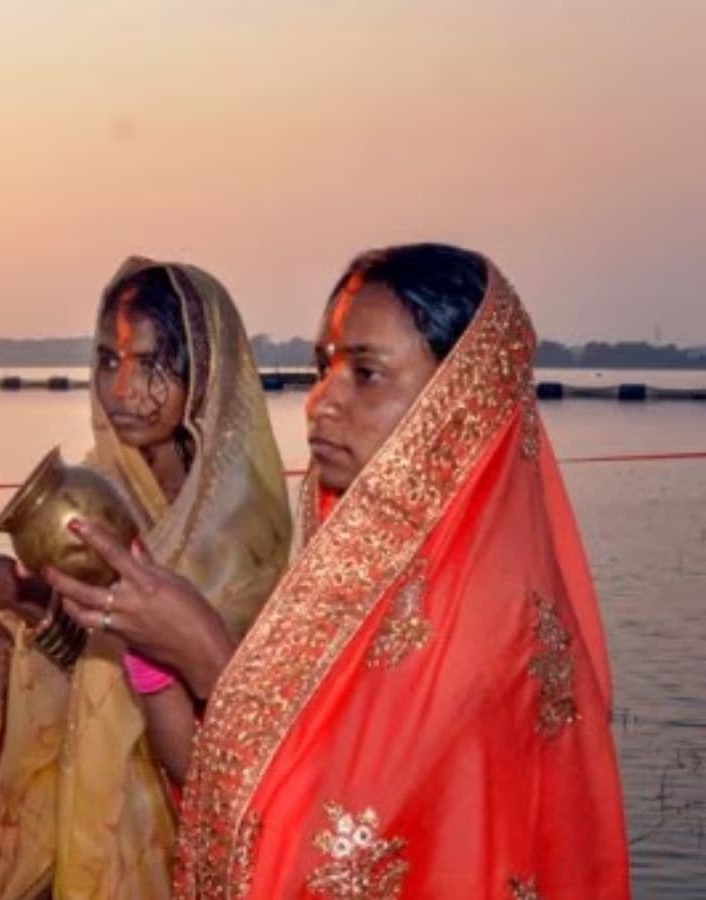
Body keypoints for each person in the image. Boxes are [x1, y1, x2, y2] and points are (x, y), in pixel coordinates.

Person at [53, 243, 630, 897]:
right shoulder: (367, 584)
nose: (320, 402)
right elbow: (231, 797)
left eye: (366, 373)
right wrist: (156, 658)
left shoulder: (485, 629)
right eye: (323, 368)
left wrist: (209, 660)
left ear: (460, 403)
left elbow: (330, 853)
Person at [0, 257, 292, 898]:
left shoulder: (246, 534)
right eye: (109, 361)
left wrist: (40, 598)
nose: (122, 390)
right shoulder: (90, 500)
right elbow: (50, 690)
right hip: (87, 843)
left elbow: (238, 738)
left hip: (190, 848)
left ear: (204, 373)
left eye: (150, 364)